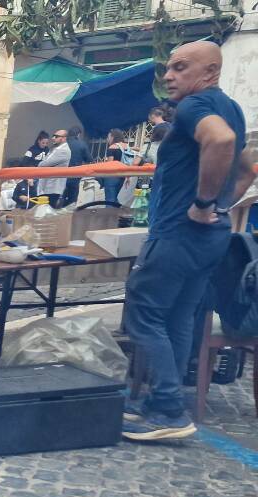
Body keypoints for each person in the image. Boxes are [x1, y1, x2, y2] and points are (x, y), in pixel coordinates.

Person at [122, 41, 256, 441]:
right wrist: (221, 205)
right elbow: (248, 169)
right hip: (211, 237)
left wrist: (202, 204)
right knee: (179, 317)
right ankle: (167, 402)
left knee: (143, 314)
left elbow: (222, 143)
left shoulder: (195, 108)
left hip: (179, 232)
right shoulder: (230, 106)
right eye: (169, 68)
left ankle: (166, 409)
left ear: (209, 73)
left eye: (180, 68)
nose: (168, 76)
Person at [37, 129, 71, 208]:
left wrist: (40, 163)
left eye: (56, 136)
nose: (53, 138)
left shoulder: (63, 151)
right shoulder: (55, 148)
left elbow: (44, 164)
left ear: (64, 138)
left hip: (53, 188)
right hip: (47, 186)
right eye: (53, 136)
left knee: (47, 213)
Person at [63, 126, 92, 207]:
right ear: (78, 134)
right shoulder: (81, 144)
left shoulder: (63, 143)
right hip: (74, 176)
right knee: (72, 201)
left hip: (60, 176)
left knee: (60, 199)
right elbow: (89, 160)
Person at [101, 128, 130, 204]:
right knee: (115, 197)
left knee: (110, 200)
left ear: (113, 137)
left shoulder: (112, 147)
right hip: (123, 176)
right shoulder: (126, 146)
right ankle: (117, 213)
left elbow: (110, 164)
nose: (108, 139)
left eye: (108, 137)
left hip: (112, 176)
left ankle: (109, 215)